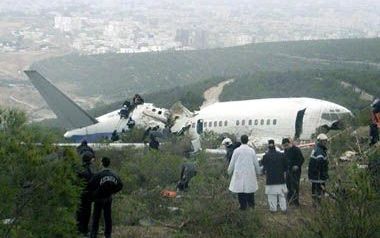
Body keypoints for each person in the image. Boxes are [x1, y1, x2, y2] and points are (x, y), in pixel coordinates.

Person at [89, 157, 123, 238]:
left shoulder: (98, 175)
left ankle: (94, 234)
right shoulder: (114, 174)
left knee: (96, 217)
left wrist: (94, 194)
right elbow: (120, 185)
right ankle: (108, 235)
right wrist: (113, 191)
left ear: (102, 163)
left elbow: (90, 185)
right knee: (108, 217)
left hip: (99, 198)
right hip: (108, 198)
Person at [227, 135, 261, 210]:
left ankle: (243, 207)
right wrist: (258, 172)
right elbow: (256, 163)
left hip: (239, 174)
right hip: (250, 174)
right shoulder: (251, 150)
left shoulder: (236, 151)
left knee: (240, 191)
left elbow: (232, 163)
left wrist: (229, 172)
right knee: (250, 190)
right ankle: (251, 206)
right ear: (247, 140)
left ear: (241, 141)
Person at [261, 140, 288, 212]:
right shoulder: (281, 155)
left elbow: (263, 166)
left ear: (268, 146)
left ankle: (273, 209)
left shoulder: (265, 156)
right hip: (280, 178)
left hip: (270, 179)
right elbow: (286, 166)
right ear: (274, 145)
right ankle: (284, 208)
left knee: (271, 195)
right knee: (281, 195)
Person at [76, 152, 94, 236]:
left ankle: (80, 229)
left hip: (80, 194)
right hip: (86, 195)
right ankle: (84, 230)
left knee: (80, 212)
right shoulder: (88, 171)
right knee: (86, 212)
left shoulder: (79, 169)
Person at [282, 138, 304, 206]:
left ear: (289, 143)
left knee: (295, 186)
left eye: (287, 145)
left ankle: (296, 202)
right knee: (288, 186)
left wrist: (297, 165)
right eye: (284, 145)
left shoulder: (296, 150)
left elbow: (302, 159)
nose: (286, 147)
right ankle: (290, 201)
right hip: (288, 171)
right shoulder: (285, 151)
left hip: (296, 171)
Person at [308, 133, 329, 205]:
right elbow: (320, 161)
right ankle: (318, 204)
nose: (325, 142)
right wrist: (321, 172)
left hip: (314, 174)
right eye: (324, 141)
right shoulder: (320, 151)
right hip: (318, 175)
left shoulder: (317, 149)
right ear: (320, 141)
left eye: (325, 141)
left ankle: (314, 204)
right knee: (319, 189)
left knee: (314, 188)